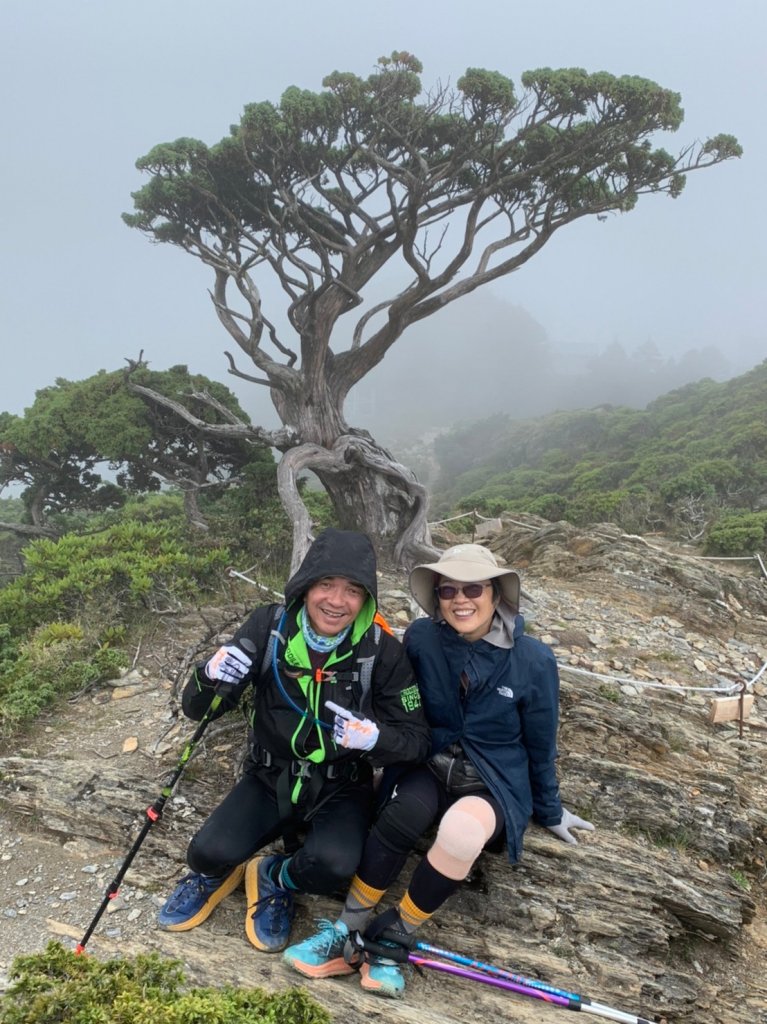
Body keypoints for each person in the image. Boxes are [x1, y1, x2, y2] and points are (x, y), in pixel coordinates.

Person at [284, 543, 594, 997]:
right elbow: (401, 703)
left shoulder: (534, 660)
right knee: (401, 813)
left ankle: (394, 936)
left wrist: (549, 810)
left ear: (495, 595)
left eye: (473, 588)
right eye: (448, 590)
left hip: (490, 779)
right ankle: (348, 927)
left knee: (463, 834)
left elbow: (541, 743)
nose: (460, 599)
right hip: (427, 762)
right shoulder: (423, 639)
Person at [156, 527, 430, 954]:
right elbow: (200, 709)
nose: (337, 601)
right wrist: (208, 675)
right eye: (326, 584)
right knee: (206, 852)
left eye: (353, 590)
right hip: (269, 774)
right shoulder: (269, 627)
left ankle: (271, 876)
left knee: (334, 868)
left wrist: (375, 740)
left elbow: (416, 739)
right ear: (306, 586)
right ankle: (211, 876)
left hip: (342, 784)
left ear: (366, 599)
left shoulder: (383, 652)